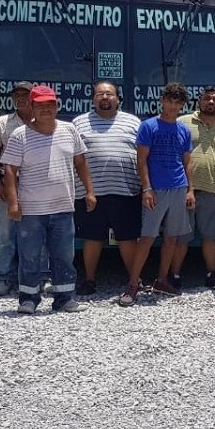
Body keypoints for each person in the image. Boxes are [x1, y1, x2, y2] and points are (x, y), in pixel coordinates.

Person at [2, 85, 95, 314]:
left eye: (50, 104)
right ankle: (29, 299)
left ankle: (64, 299)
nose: (46, 109)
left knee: (64, 255)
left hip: (63, 207)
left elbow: (80, 162)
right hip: (31, 210)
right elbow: (10, 171)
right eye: (40, 105)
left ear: (57, 106)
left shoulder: (69, 129)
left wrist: (90, 191)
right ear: (32, 107)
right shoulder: (19, 135)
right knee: (30, 255)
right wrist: (13, 203)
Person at [121, 83, 195, 307]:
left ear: (182, 105)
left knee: (172, 236)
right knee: (147, 237)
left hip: (178, 187)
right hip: (156, 189)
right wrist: (147, 188)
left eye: (178, 102)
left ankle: (162, 280)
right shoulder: (148, 126)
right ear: (162, 100)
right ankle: (133, 284)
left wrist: (190, 190)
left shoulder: (183, 130)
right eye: (170, 101)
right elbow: (141, 160)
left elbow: (187, 162)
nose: (173, 106)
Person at [72, 81, 142, 295]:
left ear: (118, 99)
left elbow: (142, 155)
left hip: (126, 190)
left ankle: (134, 280)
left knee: (127, 237)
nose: (104, 97)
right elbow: (74, 157)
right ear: (93, 99)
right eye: (100, 94)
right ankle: (90, 279)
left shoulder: (134, 122)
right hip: (90, 193)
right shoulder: (78, 123)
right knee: (92, 237)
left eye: (109, 94)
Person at [172, 86, 215, 290]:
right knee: (181, 237)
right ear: (199, 101)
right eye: (207, 99)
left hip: (212, 190)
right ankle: (174, 276)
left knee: (211, 237)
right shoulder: (182, 122)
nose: (211, 102)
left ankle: (211, 274)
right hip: (182, 189)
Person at [0, 82, 33, 296]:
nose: (21, 98)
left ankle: (40, 276)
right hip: (9, 184)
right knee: (6, 235)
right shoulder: (2, 123)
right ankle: (2, 278)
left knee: (38, 233)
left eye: (25, 94)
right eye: (17, 95)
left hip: (36, 186)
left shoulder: (42, 121)